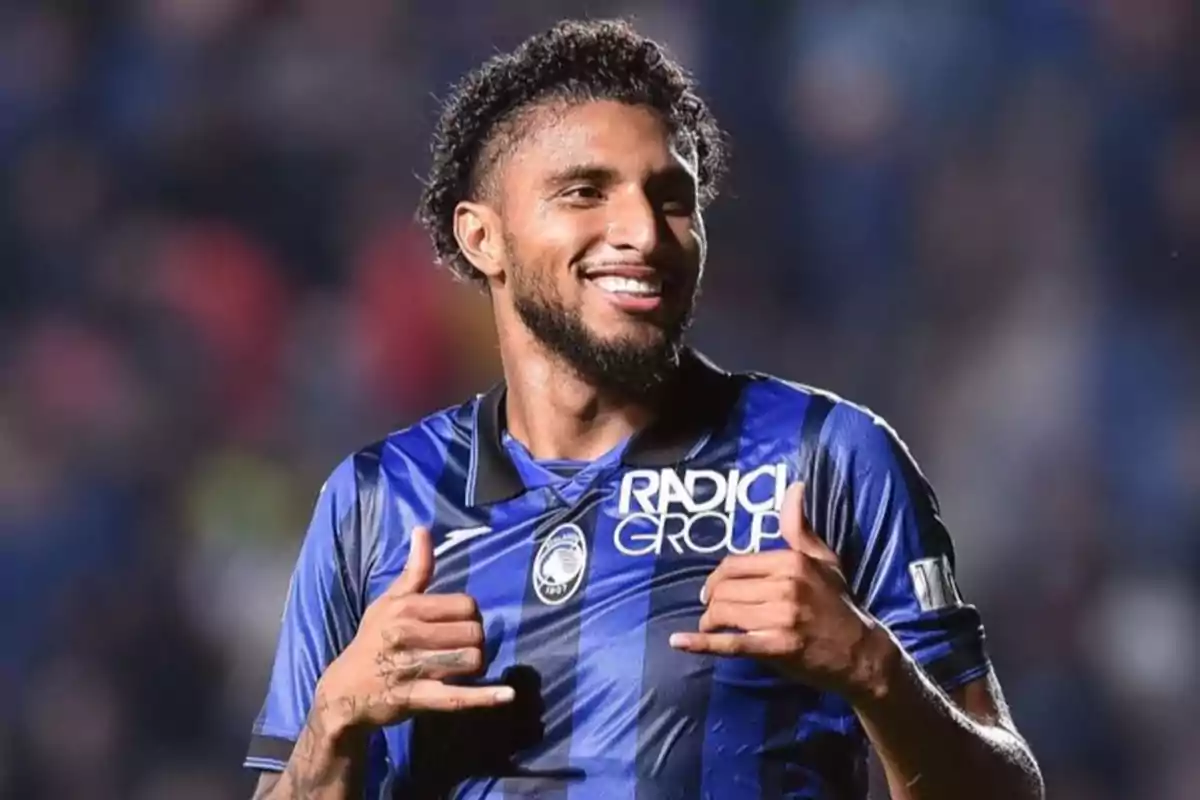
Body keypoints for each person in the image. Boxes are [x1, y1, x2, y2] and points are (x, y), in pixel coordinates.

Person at [246, 19, 1043, 800]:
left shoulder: (827, 460)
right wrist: (335, 720)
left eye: (670, 198)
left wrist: (873, 669)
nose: (642, 232)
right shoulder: (375, 500)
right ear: (482, 237)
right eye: (586, 191)